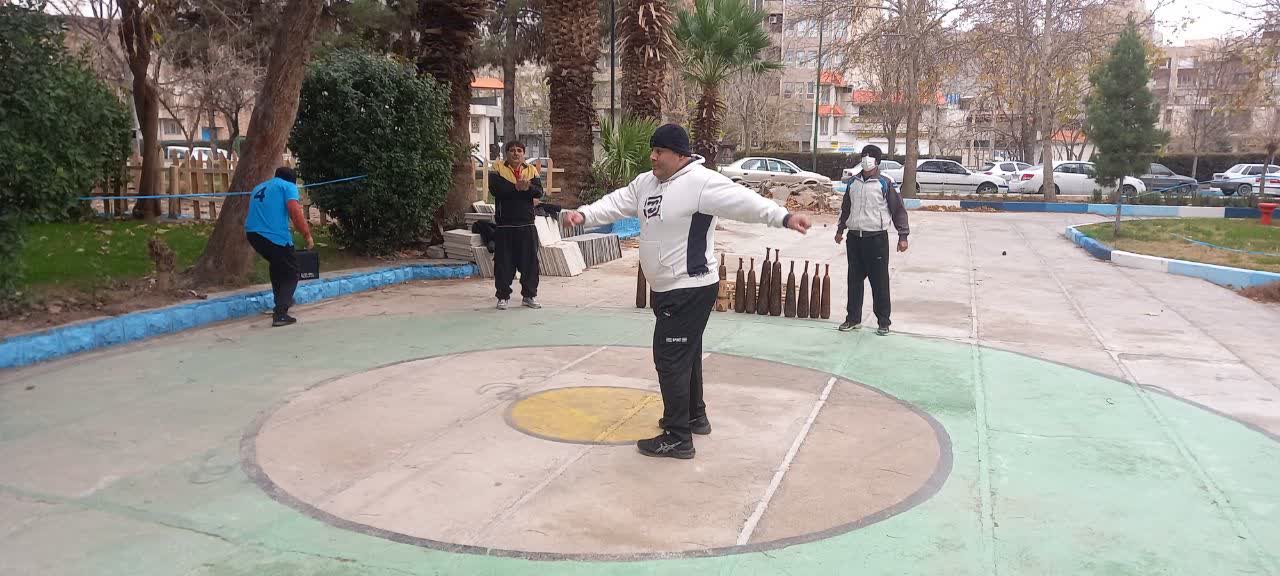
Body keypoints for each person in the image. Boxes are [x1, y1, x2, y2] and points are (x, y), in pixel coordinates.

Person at [563, 124, 811, 460]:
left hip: (689, 286)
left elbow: (745, 202)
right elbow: (617, 202)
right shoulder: (646, 183)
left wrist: (784, 217)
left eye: (660, 151)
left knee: (670, 359)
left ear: (680, 155)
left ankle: (677, 437)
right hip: (667, 287)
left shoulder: (701, 183)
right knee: (686, 355)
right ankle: (694, 417)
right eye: (652, 150)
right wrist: (585, 214)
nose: (653, 157)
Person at [835, 144, 909, 336]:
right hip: (854, 238)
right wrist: (840, 229)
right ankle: (853, 319)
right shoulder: (853, 182)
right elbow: (846, 208)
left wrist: (903, 235)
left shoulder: (885, 183)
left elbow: (898, 210)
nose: (866, 159)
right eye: (864, 155)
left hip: (876, 239)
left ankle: (883, 321)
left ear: (877, 161)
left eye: (870, 156)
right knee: (854, 280)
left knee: (879, 282)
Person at [245, 166, 314, 327]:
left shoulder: (259, 187)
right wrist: (307, 235)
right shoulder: (288, 186)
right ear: (292, 180)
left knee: (277, 265)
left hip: (253, 234)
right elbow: (295, 212)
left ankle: (282, 300)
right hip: (274, 236)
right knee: (292, 272)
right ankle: (281, 313)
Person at [488, 141, 545, 310]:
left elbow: (539, 191)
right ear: (506, 153)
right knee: (503, 263)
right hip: (504, 226)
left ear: (523, 154)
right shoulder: (498, 168)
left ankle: (529, 296)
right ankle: (502, 297)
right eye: (512, 150)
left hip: (527, 225)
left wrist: (527, 187)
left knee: (530, 263)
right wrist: (517, 187)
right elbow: (496, 189)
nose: (516, 153)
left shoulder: (531, 169)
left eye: (519, 150)